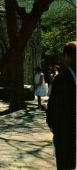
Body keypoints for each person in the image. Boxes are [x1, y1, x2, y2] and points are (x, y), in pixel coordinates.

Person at [46, 41, 76, 170]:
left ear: (66, 56)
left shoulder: (61, 78)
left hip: (64, 129)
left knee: (64, 163)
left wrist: (51, 123)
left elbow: (53, 105)